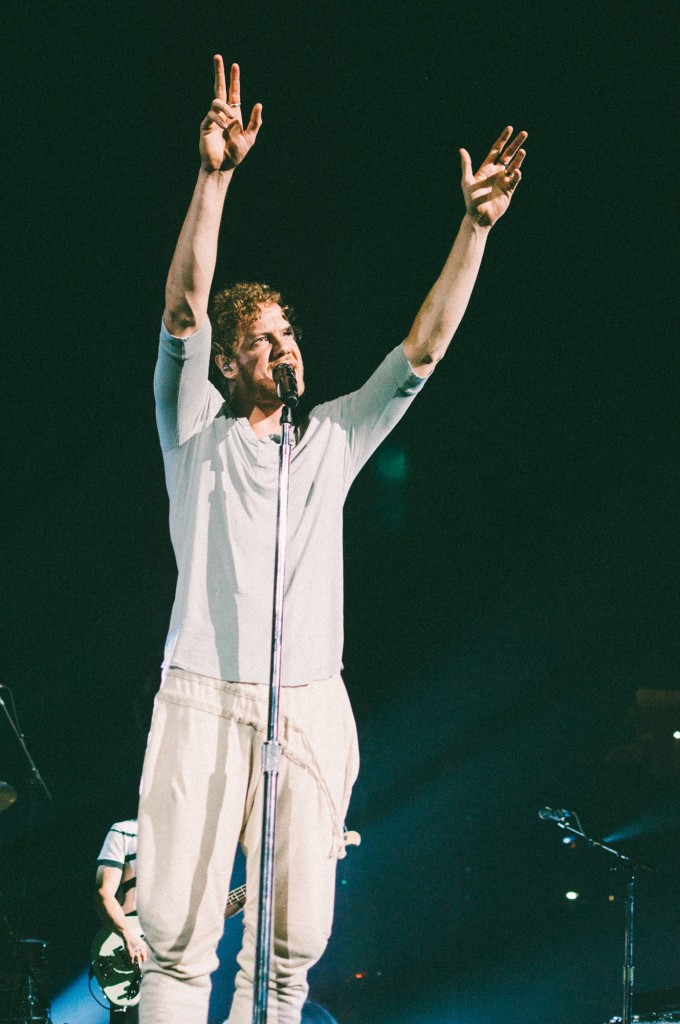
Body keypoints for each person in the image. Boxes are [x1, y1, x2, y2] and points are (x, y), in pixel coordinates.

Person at [136, 54, 527, 1024]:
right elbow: (184, 307)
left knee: (283, 961)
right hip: (203, 697)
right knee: (180, 949)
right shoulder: (193, 429)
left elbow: (420, 354)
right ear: (228, 364)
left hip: (309, 706)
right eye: (263, 339)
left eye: (288, 333)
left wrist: (472, 229)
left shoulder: (334, 439)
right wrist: (214, 178)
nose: (285, 347)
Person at [95, 819, 150, 1021]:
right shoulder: (125, 831)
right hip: (135, 951)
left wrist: (248, 897)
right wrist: (130, 936)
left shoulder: (189, 839)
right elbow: (104, 893)